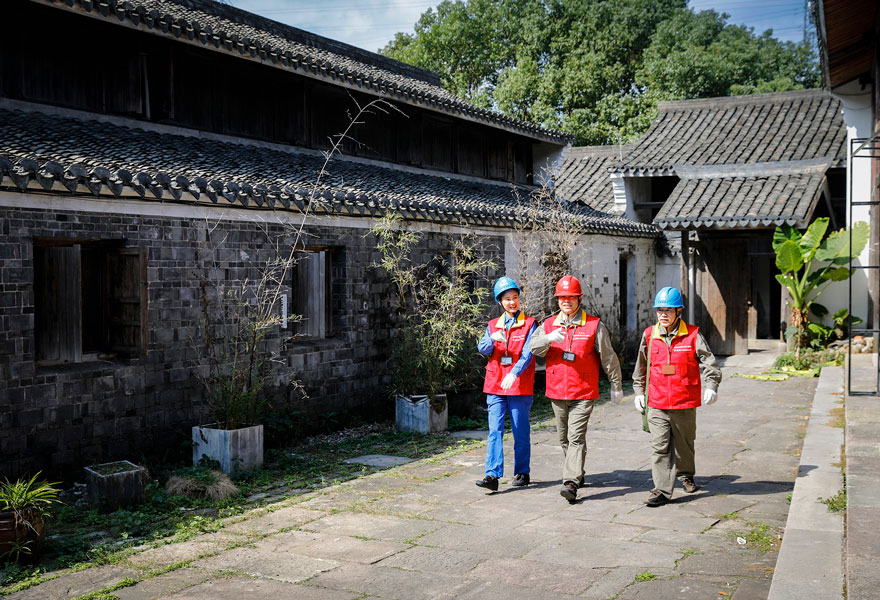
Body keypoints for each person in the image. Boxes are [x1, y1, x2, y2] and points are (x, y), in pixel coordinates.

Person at [530, 275, 623, 503]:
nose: (566, 301)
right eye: (562, 297)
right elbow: (533, 348)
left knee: (575, 436)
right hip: (556, 391)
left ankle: (570, 481)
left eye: (571, 297)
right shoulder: (549, 324)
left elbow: (608, 357)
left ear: (579, 298)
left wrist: (617, 385)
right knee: (564, 438)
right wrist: (548, 338)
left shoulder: (593, 325)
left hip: (583, 391)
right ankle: (577, 473)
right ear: (557, 300)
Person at [632, 286, 722, 507]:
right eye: (660, 310)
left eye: (668, 310)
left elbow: (709, 363)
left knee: (685, 445)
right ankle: (661, 490)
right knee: (659, 446)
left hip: (684, 401)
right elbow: (640, 367)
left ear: (678, 311)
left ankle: (686, 474)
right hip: (657, 402)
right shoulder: (649, 335)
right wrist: (638, 392)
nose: (663, 314)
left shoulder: (693, 334)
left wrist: (711, 385)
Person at [475, 277, 538, 492]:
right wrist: (492, 338)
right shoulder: (493, 325)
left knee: (520, 429)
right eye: (508, 299)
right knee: (495, 430)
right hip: (495, 384)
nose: (512, 302)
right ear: (500, 302)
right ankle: (492, 475)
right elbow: (482, 349)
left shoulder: (530, 323)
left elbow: (528, 353)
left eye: (515, 298)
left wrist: (515, 372)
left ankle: (522, 471)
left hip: (519, 384)